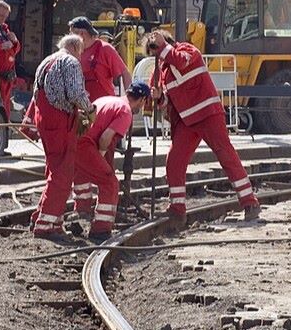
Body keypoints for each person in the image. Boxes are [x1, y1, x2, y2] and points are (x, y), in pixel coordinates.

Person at [145, 30, 260, 224]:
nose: (156, 56)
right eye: (153, 52)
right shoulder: (162, 73)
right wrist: (160, 98)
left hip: (208, 114)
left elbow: (181, 61)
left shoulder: (187, 50)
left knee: (226, 155)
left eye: (156, 50)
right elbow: (169, 101)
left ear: (167, 43)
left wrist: (163, 46)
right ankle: (177, 208)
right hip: (187, 120)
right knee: (174, 160)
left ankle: (250, 202)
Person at [30, 34, 94, 240]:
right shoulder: (70, 61)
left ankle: (48, 217)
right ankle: (45, 225)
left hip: (44, 119)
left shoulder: (46, 61)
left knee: (53, 168)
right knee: (63, 173)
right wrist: (90, 109)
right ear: (76, 48)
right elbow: (75, 93)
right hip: (60, 120)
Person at [72, 82, 150, 242]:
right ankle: (101, 229)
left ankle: (81, 212)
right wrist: (100, 155)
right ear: (142, 100)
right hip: (85, 144)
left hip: (74, 139)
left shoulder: (107, 100)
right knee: (109, 183)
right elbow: (105, 137)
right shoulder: (125, 111)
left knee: (82, 175)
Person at [69, 16, 132, 101]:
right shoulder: (74, 51)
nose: (70, 38)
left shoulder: (105, 49)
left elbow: (125, 74)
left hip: (105, 105)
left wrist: (129, 100)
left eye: (72, 34)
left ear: (81, 34)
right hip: (82, 106)